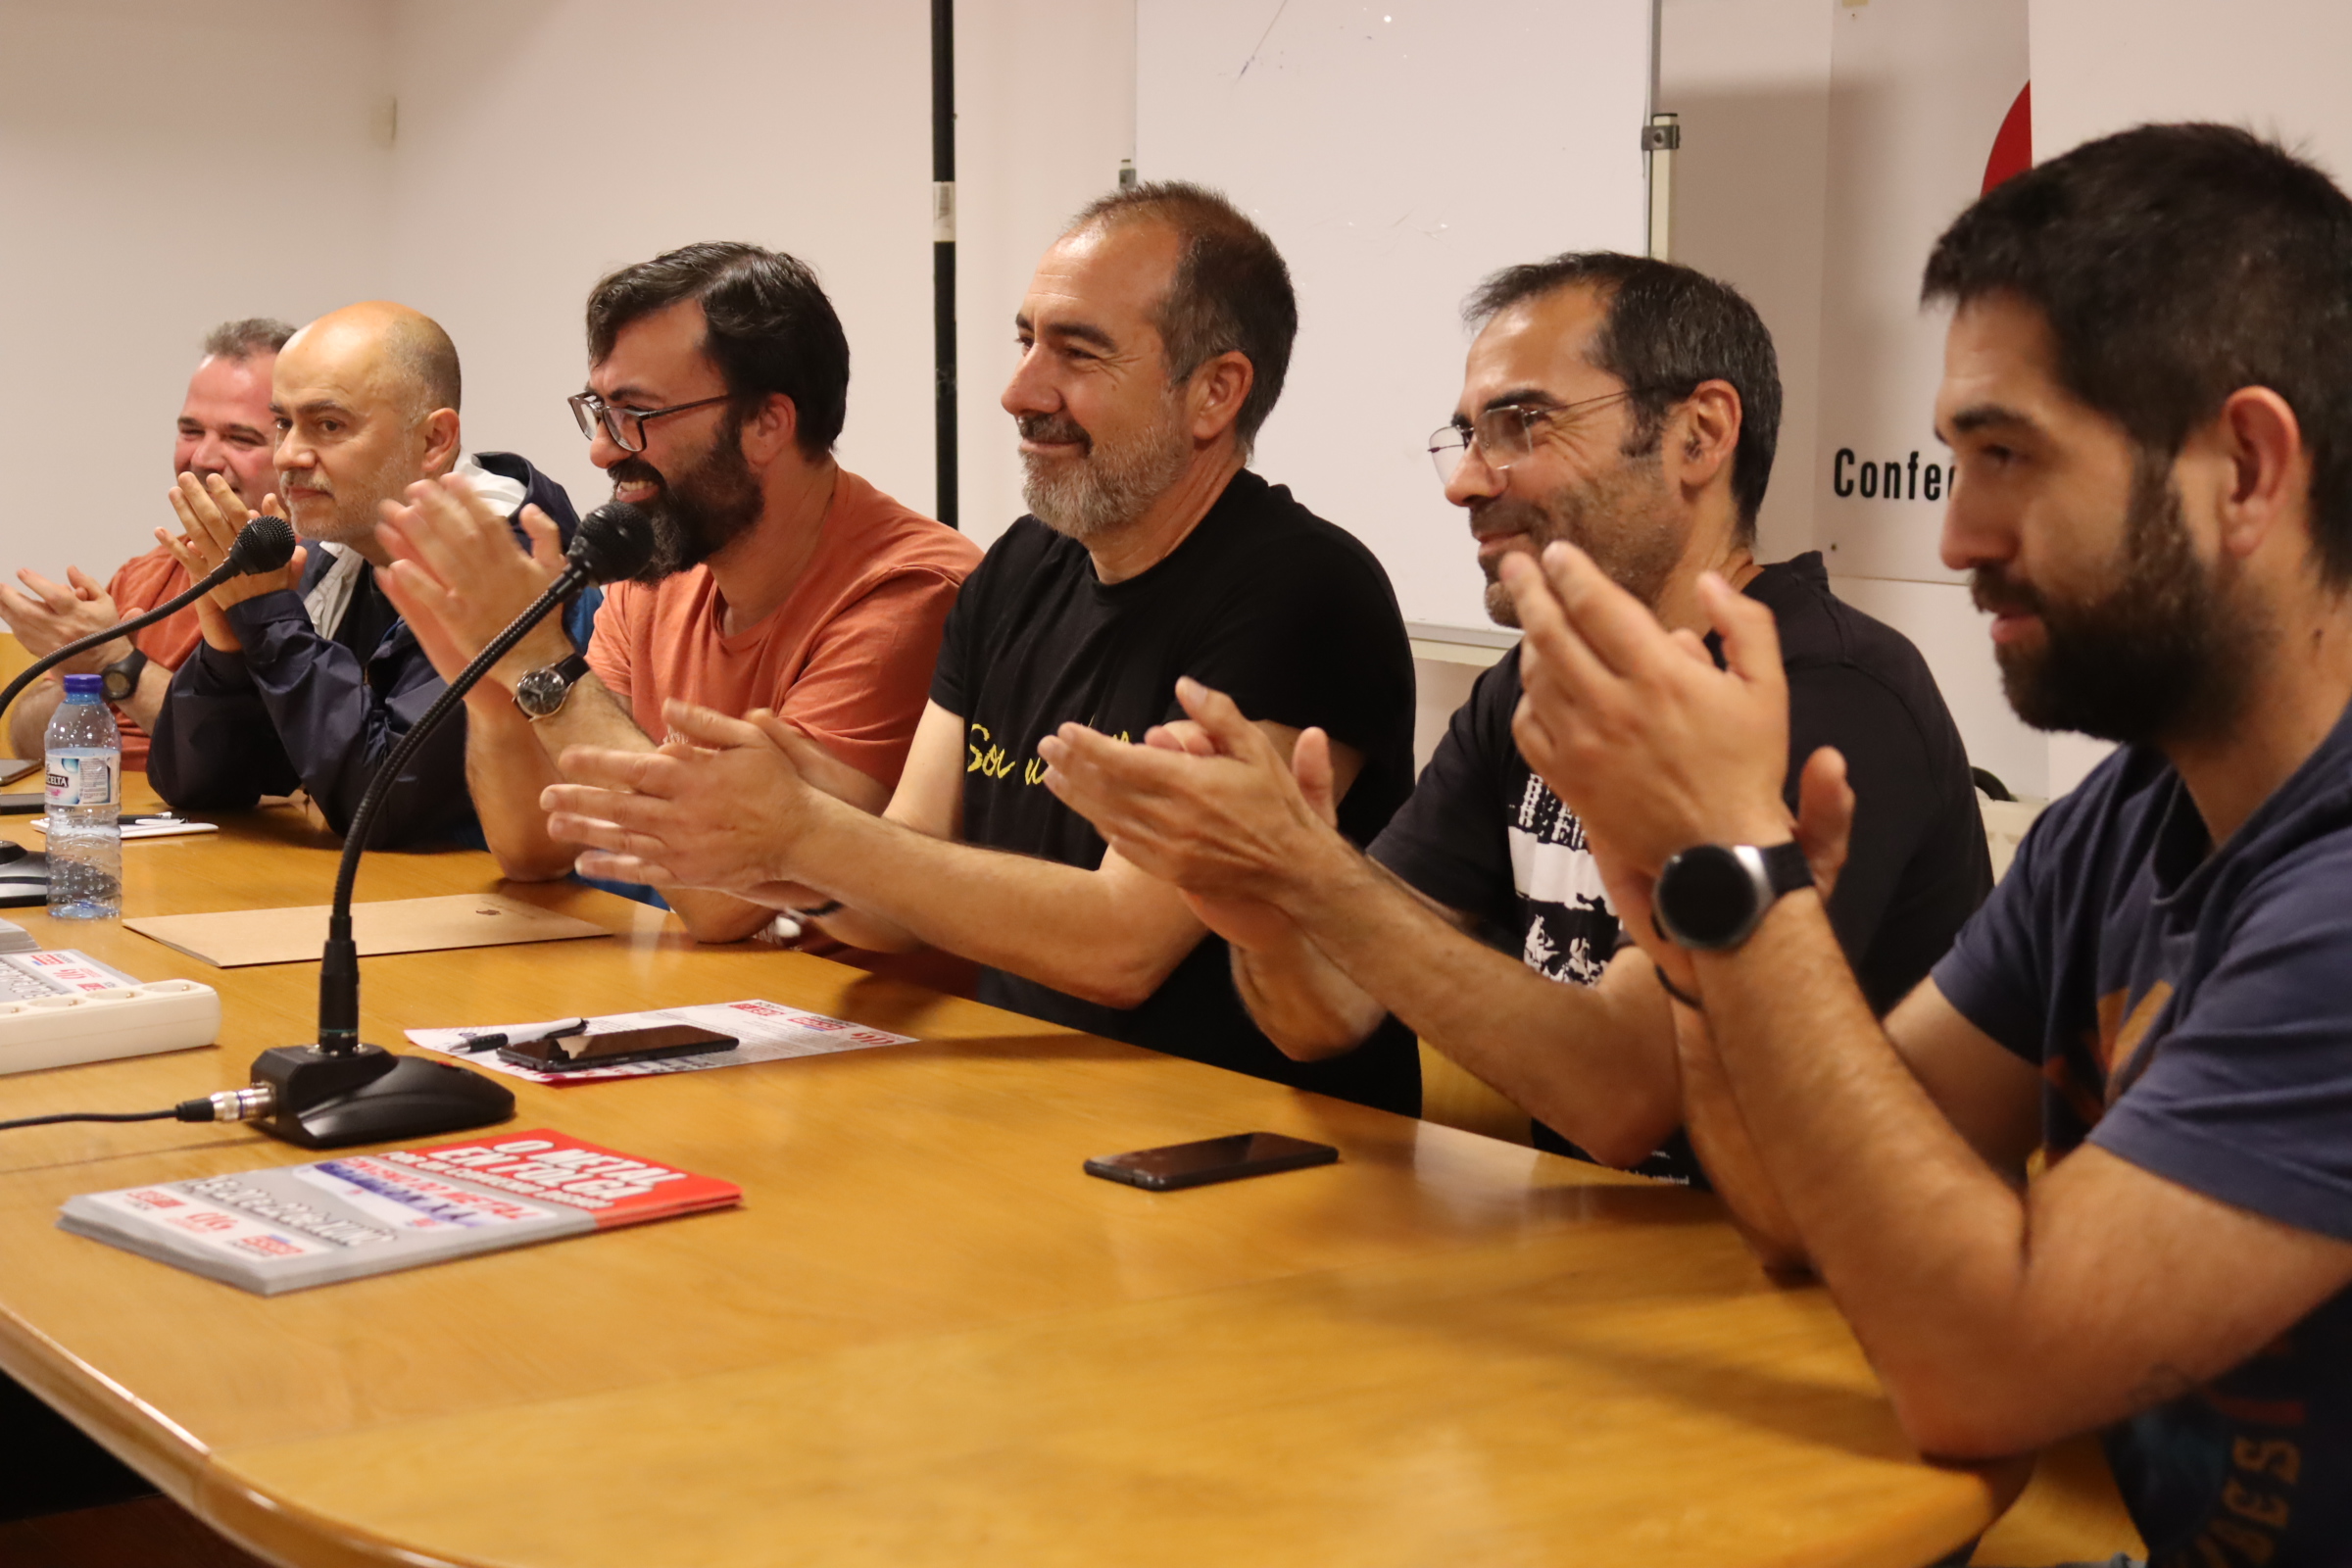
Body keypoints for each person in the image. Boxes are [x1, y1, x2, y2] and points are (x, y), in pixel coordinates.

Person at [1497, 124, 2352, 1565]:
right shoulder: (2121, 823)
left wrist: (1747, 869)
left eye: (2008, 454)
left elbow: (1982, 1370)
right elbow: (1799, 1210)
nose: (1956, 538)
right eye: (1955, 459)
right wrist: (1703, 931)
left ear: (2249, 467)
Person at [1034, 253, 1988, 1180]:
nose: (1465, 481)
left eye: (1522, 425)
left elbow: (1625, 1101)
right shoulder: (1529, 684)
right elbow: (1323, 1013)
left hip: (1797, 1270)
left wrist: (1309, 872)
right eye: (1465, 436)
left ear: (1699, 435)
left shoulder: (1824, 695)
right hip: (1596, 1248)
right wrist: (1256, 902)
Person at [535, 184, 1423, 1112]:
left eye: (1077, 352)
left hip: (1240, 1135)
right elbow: (898, 896)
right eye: (1026, 342)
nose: (1019, 393)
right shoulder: (1022, 566)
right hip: (1023, 1102)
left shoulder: (1302, 593)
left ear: (1215, 392)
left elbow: (1122, 945)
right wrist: (776, 838)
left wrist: (808, 834)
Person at [377, 243, 981, 944]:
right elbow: (536, 848)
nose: (602, 450)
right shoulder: (666, 561)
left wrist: (543, 662)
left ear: (766, 424)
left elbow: (727, 901)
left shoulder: (909, 592)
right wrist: (496, 688)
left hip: (851, 1006)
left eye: (636, 413)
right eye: (599, 411)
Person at [147, 301, 583, 847]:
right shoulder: (339, 546)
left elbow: (389, 806)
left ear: (434, 441)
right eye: (283, 423)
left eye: (329, 425)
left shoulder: (508, 562)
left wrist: (269, 619)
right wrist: (227, 654)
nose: (288, 456)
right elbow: (200, 787)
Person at [1, 318, 292, 768]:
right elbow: (25, 739)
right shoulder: (144, 574)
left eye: (240, 438)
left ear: (295, 447)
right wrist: (82, 667)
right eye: (191, 431)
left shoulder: (312, 578)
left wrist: (115, 662)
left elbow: (257, 758)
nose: (201, 458)